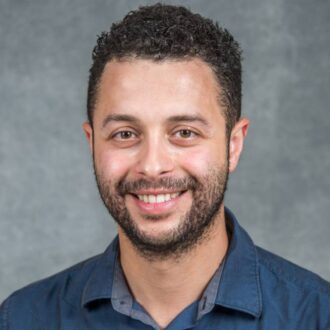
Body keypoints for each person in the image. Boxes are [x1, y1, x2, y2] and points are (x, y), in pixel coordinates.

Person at [1, 3, 329, 329]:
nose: (153, 165)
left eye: (184, 133)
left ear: (234, 145)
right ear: (92, 144)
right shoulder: (21, 319)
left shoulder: (318, 317)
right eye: (125, 134)